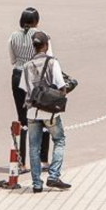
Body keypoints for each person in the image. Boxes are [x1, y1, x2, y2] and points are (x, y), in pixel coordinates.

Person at [20, 31, 74, 192]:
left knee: (33, 147)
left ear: (34, 47)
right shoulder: (52, 62)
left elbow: (24, 88)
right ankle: (53, 176)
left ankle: (37, 183)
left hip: (31, 112)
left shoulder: (26, 65)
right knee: (59, 139)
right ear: (46, 45)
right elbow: (61, 85)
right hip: (49, 112)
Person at [9, 8, 40, 127]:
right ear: (36, 21)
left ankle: (22, 141)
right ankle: (35, 144)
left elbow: (12, 60)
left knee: (22, 116)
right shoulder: (41, 35)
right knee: (37, 114)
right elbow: (49, 57)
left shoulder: (13, 36)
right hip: (34, 76)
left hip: (17, 75)